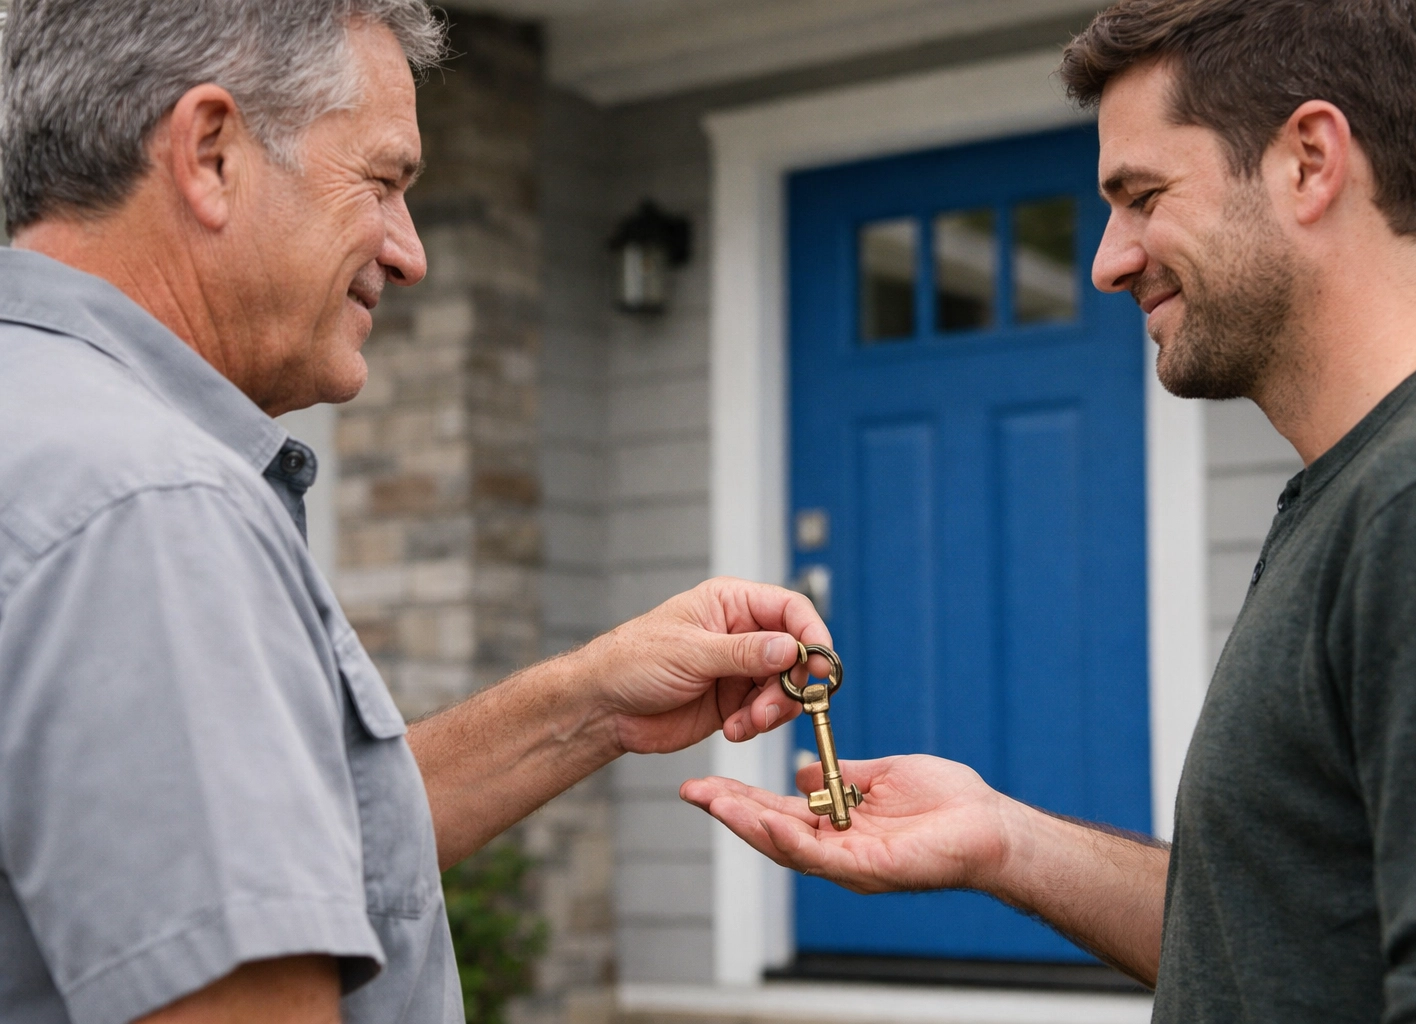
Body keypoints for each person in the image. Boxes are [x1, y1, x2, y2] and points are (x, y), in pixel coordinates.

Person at [684, 0, 1416, 1019]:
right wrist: (1000, 837)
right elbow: (1274, 936)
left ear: (1310, 160)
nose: (1106, 259)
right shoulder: (1373, 487)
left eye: (1142, 196)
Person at [0, 3, 822, 1022]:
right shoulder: (152, 509)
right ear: (209, 155)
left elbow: (277, 850)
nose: (409, 252)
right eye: (383, 182)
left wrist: (592, 701)